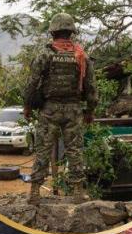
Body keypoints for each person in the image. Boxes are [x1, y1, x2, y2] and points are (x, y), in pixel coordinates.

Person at [23, 13, 97, 205]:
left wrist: (27, 106)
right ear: (71, 32)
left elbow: (32, 84)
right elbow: (91, 88)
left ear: (53, 31)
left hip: (50, 110)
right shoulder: (82, 56)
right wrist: (90, 111)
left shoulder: (45, 55)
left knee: (42, 151)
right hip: (73, 110)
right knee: (75, 151)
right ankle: (78, 193)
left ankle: (34, 193)